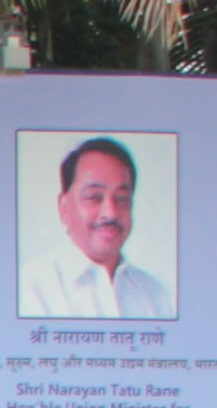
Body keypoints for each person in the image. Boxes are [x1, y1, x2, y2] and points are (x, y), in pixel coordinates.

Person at [21, 136, 172, 318]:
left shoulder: (154, 294)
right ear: (64, 207)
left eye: (122, 199)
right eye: (93, 197)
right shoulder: (29, 288)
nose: (111, 213)